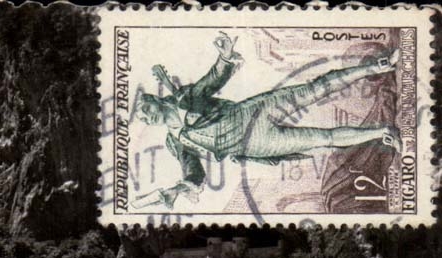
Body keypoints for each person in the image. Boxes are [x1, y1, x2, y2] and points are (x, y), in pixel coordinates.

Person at [133, 32, 401, 209]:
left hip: (253, 111)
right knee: (325, 139)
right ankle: (383, 133)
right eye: (143, 117)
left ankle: (376, 67)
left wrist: (225, 56)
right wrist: (182, 187)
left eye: (146, 108)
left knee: (315, 88)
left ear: (154, 100)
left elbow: (211, 81)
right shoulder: (175, 141)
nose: (148, 116)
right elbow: (193, 170)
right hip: (256, 144)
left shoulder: (186, 99)